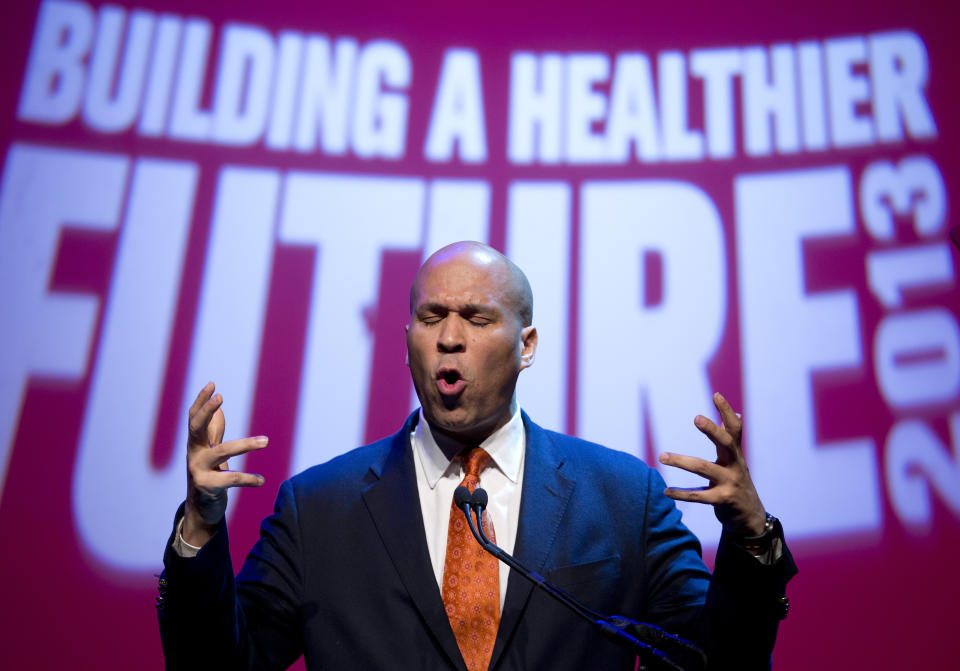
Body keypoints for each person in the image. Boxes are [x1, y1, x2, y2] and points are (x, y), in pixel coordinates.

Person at [158, 241, 796, 670]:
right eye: (431, 317)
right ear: (406, 338)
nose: (450, 339)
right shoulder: (318, 509)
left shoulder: (623, 498)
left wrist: (750, 542)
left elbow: (710, 665)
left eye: (477, 318)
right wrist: (199, 530)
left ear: (528, 345)